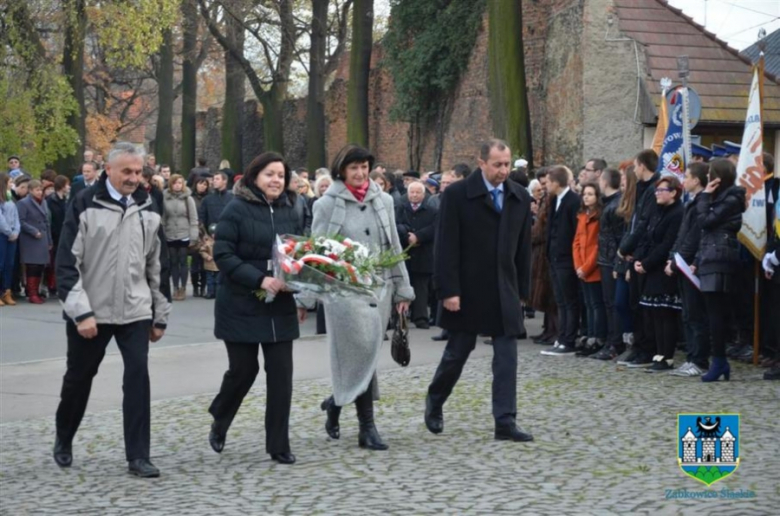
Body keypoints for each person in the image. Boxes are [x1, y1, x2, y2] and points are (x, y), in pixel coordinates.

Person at [53, 142, 171, 477]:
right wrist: (81, 312)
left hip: (135, 310)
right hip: (92, 311)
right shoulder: (84, 204)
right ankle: (64, 436)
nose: (134, 178)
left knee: (138, 379)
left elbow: (156, 266)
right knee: (79, 379)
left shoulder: (149, 205)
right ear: (109, 170)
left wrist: (159, 315)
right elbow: (66, 263)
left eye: (138, 171)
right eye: (127, 172)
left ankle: (138, 456)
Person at [424, 139, 534, 442]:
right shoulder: (458, 195)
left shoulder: (519, 196)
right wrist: (448, 290)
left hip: (504, 287)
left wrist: (523, 290)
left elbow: (523, 248)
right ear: (482, 162)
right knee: (457, 352)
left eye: (507, 164)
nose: (503, 170)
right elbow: (445, 245)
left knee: (506, 356)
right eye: (497, 164)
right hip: (467, 288)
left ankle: (505, 421)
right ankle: (435, 399)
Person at [311, 144, 413, 451]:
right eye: (353, 168)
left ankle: (336, 403)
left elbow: (393, 245)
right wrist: (309, 297)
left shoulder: (383, 200)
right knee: (362, 352)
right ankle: (367, 428)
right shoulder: (326, 204)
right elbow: (316, 252)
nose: (359, 173)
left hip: (379, 290)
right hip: (345, 294)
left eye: (364, 167)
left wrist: (402, 289)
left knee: (365, 354)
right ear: (341, 170)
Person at [208, 152, 304, 465]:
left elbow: (302, 250)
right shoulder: (236, 208)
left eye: (280, 174)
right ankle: (221, 416)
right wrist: (259, 279)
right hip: (241, 301)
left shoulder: (293, 207)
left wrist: (299, 280)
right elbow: (223, 254)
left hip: (281, 303)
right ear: (254, 177)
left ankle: (278, 444)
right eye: (269, 174)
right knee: (243, 371)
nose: (276, 180)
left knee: (281, 376)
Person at [696, 159, 746, 382]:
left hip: (720, 258)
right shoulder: (722, 198)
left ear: (718, 178)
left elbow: (705, 221)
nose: (706, 179)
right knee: (711, 313)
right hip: (710, 256)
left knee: (716, 314)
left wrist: (705, 196)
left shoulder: (732, 199)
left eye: (709, 175)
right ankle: (719, 360)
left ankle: (718, 361)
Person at [664, 163, 710, 376]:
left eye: (688, 177)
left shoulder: (703, 202)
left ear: (697, 180)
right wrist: (672, 257)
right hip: (681, 263)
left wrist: (679, 259)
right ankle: (692, 357)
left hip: (691, 266)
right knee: (687, 315)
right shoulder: (692, 202)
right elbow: (681, 235)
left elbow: (693, 237)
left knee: (695, 315)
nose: (684, 180)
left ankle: (699, 360)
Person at [633, 176, 684, 372]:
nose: (657, 193)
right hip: (650, 267)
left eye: (662, 190)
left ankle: (667, 356)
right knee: (653, 313)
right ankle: (658, 353)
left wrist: (647, 263)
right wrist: (638, 258)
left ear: (673, 192)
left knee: (665, 314)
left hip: (664, 269)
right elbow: (646, 235)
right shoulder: (657, 210)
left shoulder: (677, 213)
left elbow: (667, 244)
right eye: (656, 190)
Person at [616, 150, 661, 367]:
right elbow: (634, 223)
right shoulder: (642, 189)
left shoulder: (653, 189)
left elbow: (644, 225)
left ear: (642, 165)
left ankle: (647, 349)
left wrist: (624, 249)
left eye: (635, 165)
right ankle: (640, 347)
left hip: (644, 255)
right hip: (634, 255)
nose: (634, 169)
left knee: (644, 307)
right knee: (634, 305)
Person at [541, 166, 581, 356]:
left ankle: (569, 339)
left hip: (566, 258)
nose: (546, 185)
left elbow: (575, 232)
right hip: (555, 257)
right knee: (560, 301)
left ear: (556, 183)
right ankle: (562, 336)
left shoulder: (573, 201)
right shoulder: (555, 199)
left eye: (548, 182)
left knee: (569, 300)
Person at [590, 169, 624, 360]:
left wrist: (616, 263)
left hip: (611, 261)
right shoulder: (609, 204)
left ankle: (615, 343)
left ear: (605, 181)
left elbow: (617, 237)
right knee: (607, 303)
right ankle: (611, 341)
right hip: (606, 259)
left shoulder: (615, 206)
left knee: (612, 304)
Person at [396, 181, 438, 328]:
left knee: (421, 287)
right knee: (402, 286)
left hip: (424, 253)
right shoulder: (401, 209)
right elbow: (396, 224)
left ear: (423, 194)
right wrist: (406, 236)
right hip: (404, 252)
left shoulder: (432, 211)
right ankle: (400, 318)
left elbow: (435, 228)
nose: (414, 195)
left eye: (417, 192)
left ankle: (420, 318)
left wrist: (419, 236)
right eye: (411, 192)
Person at [573, 183, 606, 356]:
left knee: (596, 304)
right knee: (588, 304)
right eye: (585, 194)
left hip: (593, 268)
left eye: (590, 194)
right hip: (582, 267)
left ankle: (597, 337)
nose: (586, 197)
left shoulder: (599, 217)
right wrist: (578, 265)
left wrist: (586, 267)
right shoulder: (582, 216)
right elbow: (577, 242)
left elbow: (597, 246)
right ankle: (589, 335)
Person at [529, 169, 558, 345]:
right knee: (546, 295)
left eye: (546, 183)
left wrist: (532, 236)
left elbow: (543, 228)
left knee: (552, 297)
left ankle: (555, 331)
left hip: (545, 251)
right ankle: (548, 330)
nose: (544, 187)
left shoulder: (552, 201)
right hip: (540, 251)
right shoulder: (547, 200)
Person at [163, 174, 199, 301]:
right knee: (173, 262)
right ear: (171, 184)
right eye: (175, 183)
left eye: (180, 183)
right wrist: (163, 233)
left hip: (184, 233)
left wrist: (193, 236)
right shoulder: (165, 198)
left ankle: (183, 288)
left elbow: (194, 218)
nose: (177, 185)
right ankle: (175, 288)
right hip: (170, 233)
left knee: (183, 261)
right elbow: (163, 218)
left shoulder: (188, 198)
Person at [17, 180, 52, 304]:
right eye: (37, 190)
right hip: (30, 239)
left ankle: (36, 291)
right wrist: (33, 231)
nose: (39, 192)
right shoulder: (23, 203)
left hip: (42, 237)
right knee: (32, 266)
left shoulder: (44, 202)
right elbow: (21, 221)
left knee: (40, 266)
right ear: (30, 191)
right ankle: (31, 293)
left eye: (40, 190)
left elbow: (47, 222)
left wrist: (49, 240)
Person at [45, 176, 71, 296]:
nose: (68, 187)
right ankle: (52, 285)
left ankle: (60, 285)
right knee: (53, 260)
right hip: (55, 234)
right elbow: (50, 218)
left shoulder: (66, 199)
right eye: (66, 185)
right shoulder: (51, 200)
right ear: (61, 186)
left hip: (64, 233)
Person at [0, 172, 20, 306]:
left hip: (12, 235)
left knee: (9, 264)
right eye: (9, 182)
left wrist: (16, 231)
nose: (11, 184)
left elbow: (16, 216)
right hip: (2, 235)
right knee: (0, 264)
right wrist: (8, 231)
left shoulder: (10, 197)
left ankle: (6, 291)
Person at [190, 178, 210, 297]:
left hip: (205, 232)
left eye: (205, 185)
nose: (203, 186)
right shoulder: (191, 198)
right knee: (194, 261)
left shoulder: (208, 198)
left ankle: (203, 287)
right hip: (194, 231)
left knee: (204, 262)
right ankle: (195, 287)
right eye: (200, 184)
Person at [199, 225, 219, 299]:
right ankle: (210, 292)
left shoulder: (220, 242)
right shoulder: (207, 242)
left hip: (218, 265)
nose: (214, 235)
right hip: (209, 264)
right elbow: (202, 251)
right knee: (209, 280)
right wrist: (207, 256)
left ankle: (217, 293)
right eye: (212, 234)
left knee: (218, 280)